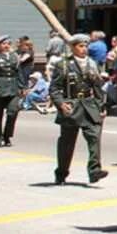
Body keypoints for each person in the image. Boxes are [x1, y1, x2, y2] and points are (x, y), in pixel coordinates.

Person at [49, 34, 108, 185]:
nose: (84, 49)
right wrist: (61, 103)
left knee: (94, 137)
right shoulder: (62, 64)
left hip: (89, 105)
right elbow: (54, 89)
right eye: (80, 46)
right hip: (71, 105)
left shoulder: (92, 64)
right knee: (67, 143)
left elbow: (98, 87)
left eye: (85, 46)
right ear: (72, 47)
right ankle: (61, 173)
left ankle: (94, 170)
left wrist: (101, 106)